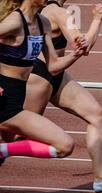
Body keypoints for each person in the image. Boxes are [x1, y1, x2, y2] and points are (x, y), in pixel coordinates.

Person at [24, 0, 102, 193]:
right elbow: (83, 46)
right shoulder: (58, 13)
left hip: (58, 74)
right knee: (14, 136)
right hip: (39, 77)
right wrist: (97, 20)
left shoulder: (50, 11)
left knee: (96, 115)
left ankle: (100, 177)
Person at [0, 0, 86, 169]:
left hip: (17, 98)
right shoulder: (14, 22)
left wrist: (76, 54)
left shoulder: (43, 23)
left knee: (7, 144)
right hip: (5, 102)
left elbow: (53, 67)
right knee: (64, 145)